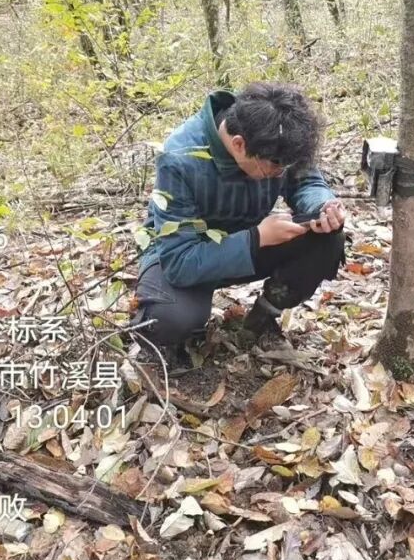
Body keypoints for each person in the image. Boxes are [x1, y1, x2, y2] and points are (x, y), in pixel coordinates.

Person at [131, 82, 346, 364]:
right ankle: (164, 343)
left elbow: (306, 180)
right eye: (275, 167)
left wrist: (321, 206)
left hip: (250, 240)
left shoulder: (274, 137)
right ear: (239, 144)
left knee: (328, 238)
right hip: (184, 253)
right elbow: (178, 260)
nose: (280, 173)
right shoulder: (180, 157)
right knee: (169, 318)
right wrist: (256, 238)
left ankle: (262, 319)